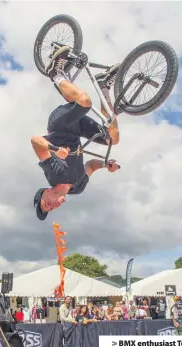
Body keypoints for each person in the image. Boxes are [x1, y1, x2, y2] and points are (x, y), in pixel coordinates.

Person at [31, 45, 121, 220]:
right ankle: (103, 86)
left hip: (60, 124)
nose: (48, 207)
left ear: (46, 192)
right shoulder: (78, 187)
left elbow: (35, 141)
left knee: (84, 101)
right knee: (113, 138)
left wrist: (55, 150)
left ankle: (55, 74)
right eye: (49, 210)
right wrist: (105, 165)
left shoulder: (53, 174)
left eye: (44, 203)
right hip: (78, 129)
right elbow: (91, 166)